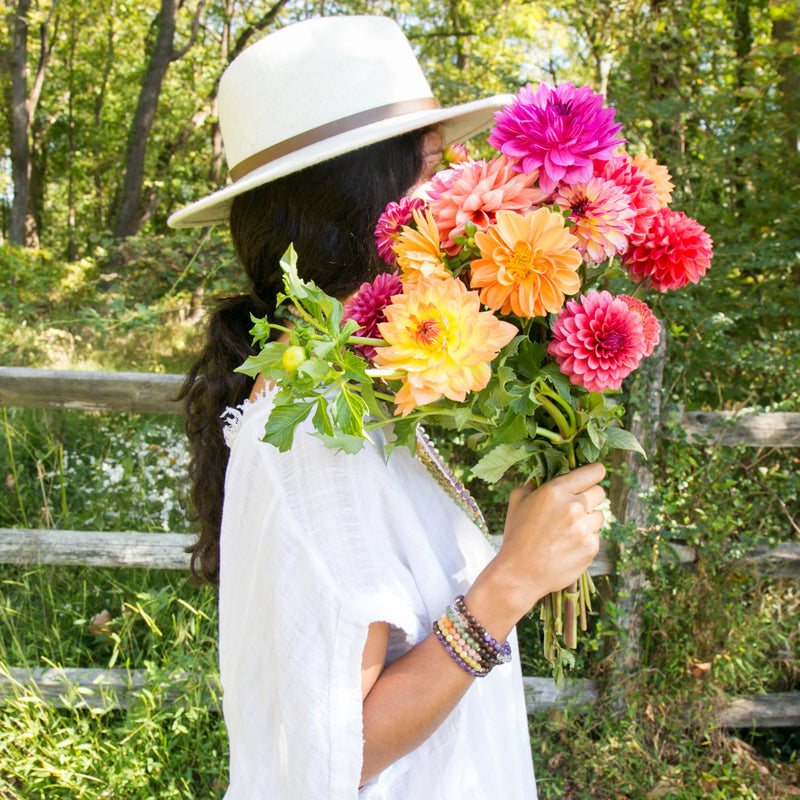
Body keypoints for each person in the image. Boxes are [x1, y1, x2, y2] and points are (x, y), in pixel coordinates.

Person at [169, 15, 605, 799]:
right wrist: (511, 581)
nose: (460, 192)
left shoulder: (351, 395)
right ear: (360, 197)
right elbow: (342, 749)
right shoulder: (309, 433)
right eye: (433, 167)